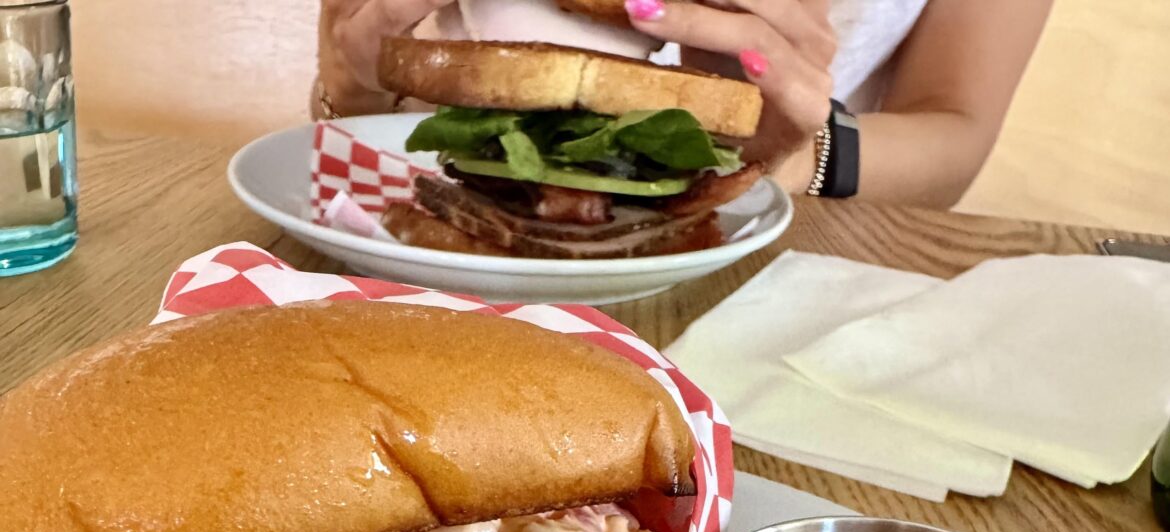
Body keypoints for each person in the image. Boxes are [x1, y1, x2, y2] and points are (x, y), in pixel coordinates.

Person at [316, 0, 1053, 207]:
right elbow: (354, 94)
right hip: (424, 218)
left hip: (763, 262)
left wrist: (789, 159)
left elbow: (956, 128)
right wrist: (352, 91)